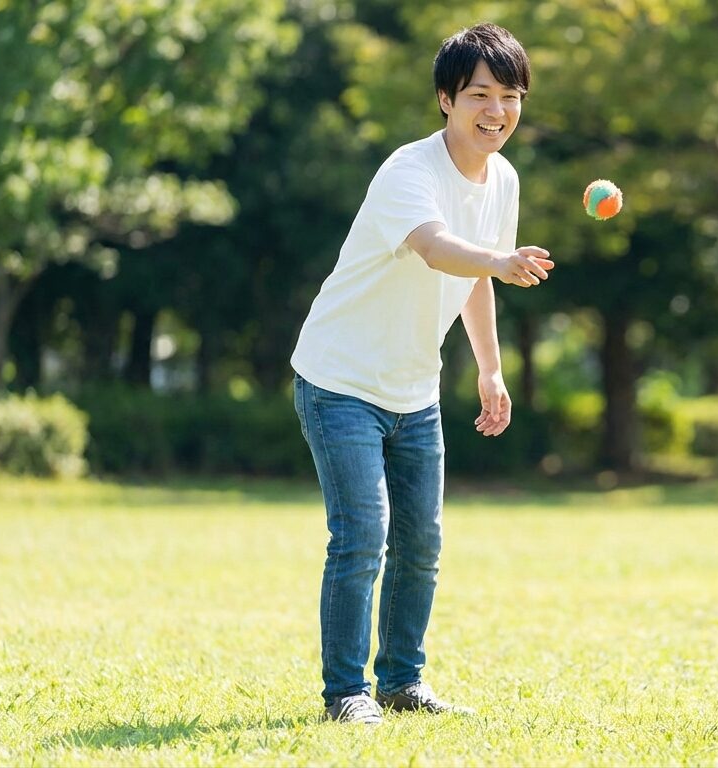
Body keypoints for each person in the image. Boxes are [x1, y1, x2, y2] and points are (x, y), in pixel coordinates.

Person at [289, 22, 553, 725]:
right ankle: (346, 692)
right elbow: (439, 249)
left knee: (422, 544)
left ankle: (402, 683)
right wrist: (498, 260)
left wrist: (490, 370)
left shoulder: (503, 178)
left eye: (510, 96)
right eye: (479, 95)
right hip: (340, 380)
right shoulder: (409, 171)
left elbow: (476, 276)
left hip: (414, 388)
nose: (496, 110)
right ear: (446, 99)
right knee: (362, 536)